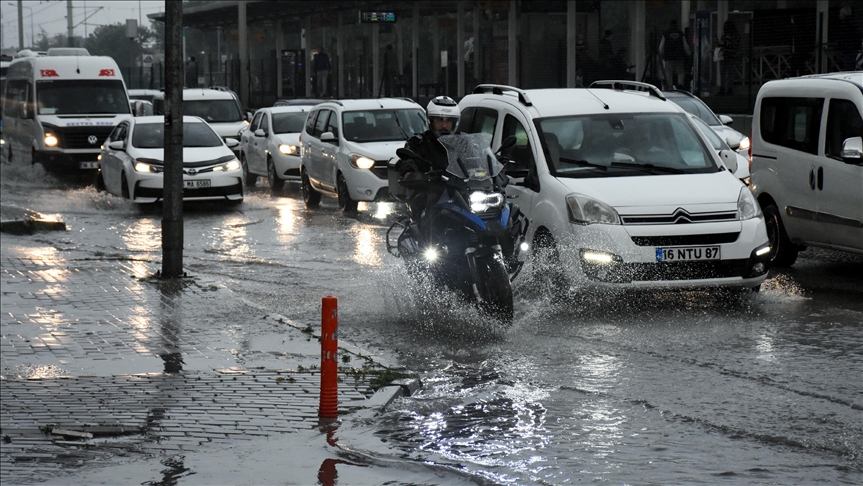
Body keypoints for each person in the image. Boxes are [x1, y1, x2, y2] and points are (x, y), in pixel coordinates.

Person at [397, 96, 461, 223]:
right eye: (439, 120)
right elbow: (408, 160)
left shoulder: (463, 142)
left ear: (455, 123)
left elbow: (478, 159)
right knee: (431, 208)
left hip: (460, 191)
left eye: (448, 121)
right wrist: (412, 173)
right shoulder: (418, 143)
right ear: (430, 121)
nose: (444, 125)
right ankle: (427, 235)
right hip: (428, 191)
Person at [659, 19, 691, 90]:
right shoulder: (680, 34)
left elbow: (661, 47)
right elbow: (685, 46)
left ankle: (669, 87)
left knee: (668, 73)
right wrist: (688, 54)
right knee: (680, 72)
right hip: (679, 57)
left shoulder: (666, 34)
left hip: (669, 58)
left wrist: (662, 55)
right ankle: (680, 85)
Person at [717, 21, 740, 95]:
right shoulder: (724, 35)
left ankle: (729, 89)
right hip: (724, 56)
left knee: (730, 73)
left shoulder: (735, 35)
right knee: (723, 73)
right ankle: (723, 88)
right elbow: (722, 44)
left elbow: (735, 45)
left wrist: (725, 44)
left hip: (731, 56)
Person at [837, 6, 861, 72]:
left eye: (841, 13)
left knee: (848, 65)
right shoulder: (852, 22)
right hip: (850, 48)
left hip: (849, 48)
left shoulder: (847, 24)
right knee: (850, 65)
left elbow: (844, 35)